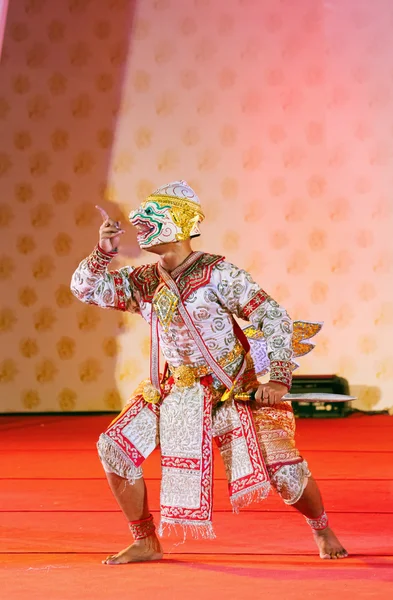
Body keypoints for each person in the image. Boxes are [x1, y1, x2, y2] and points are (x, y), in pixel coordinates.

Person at [70, 180, 348, 564]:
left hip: (231, 390)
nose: (139, 228)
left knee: (284, 472)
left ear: (177, 224)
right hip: (173, 392)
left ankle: (322, 528)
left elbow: (271, 315)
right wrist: (103, 252)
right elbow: (86, 288)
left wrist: (279, 379)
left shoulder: (219, 273)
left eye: (150, 220)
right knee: (114, 449)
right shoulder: (144, 281)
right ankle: (146, 540)